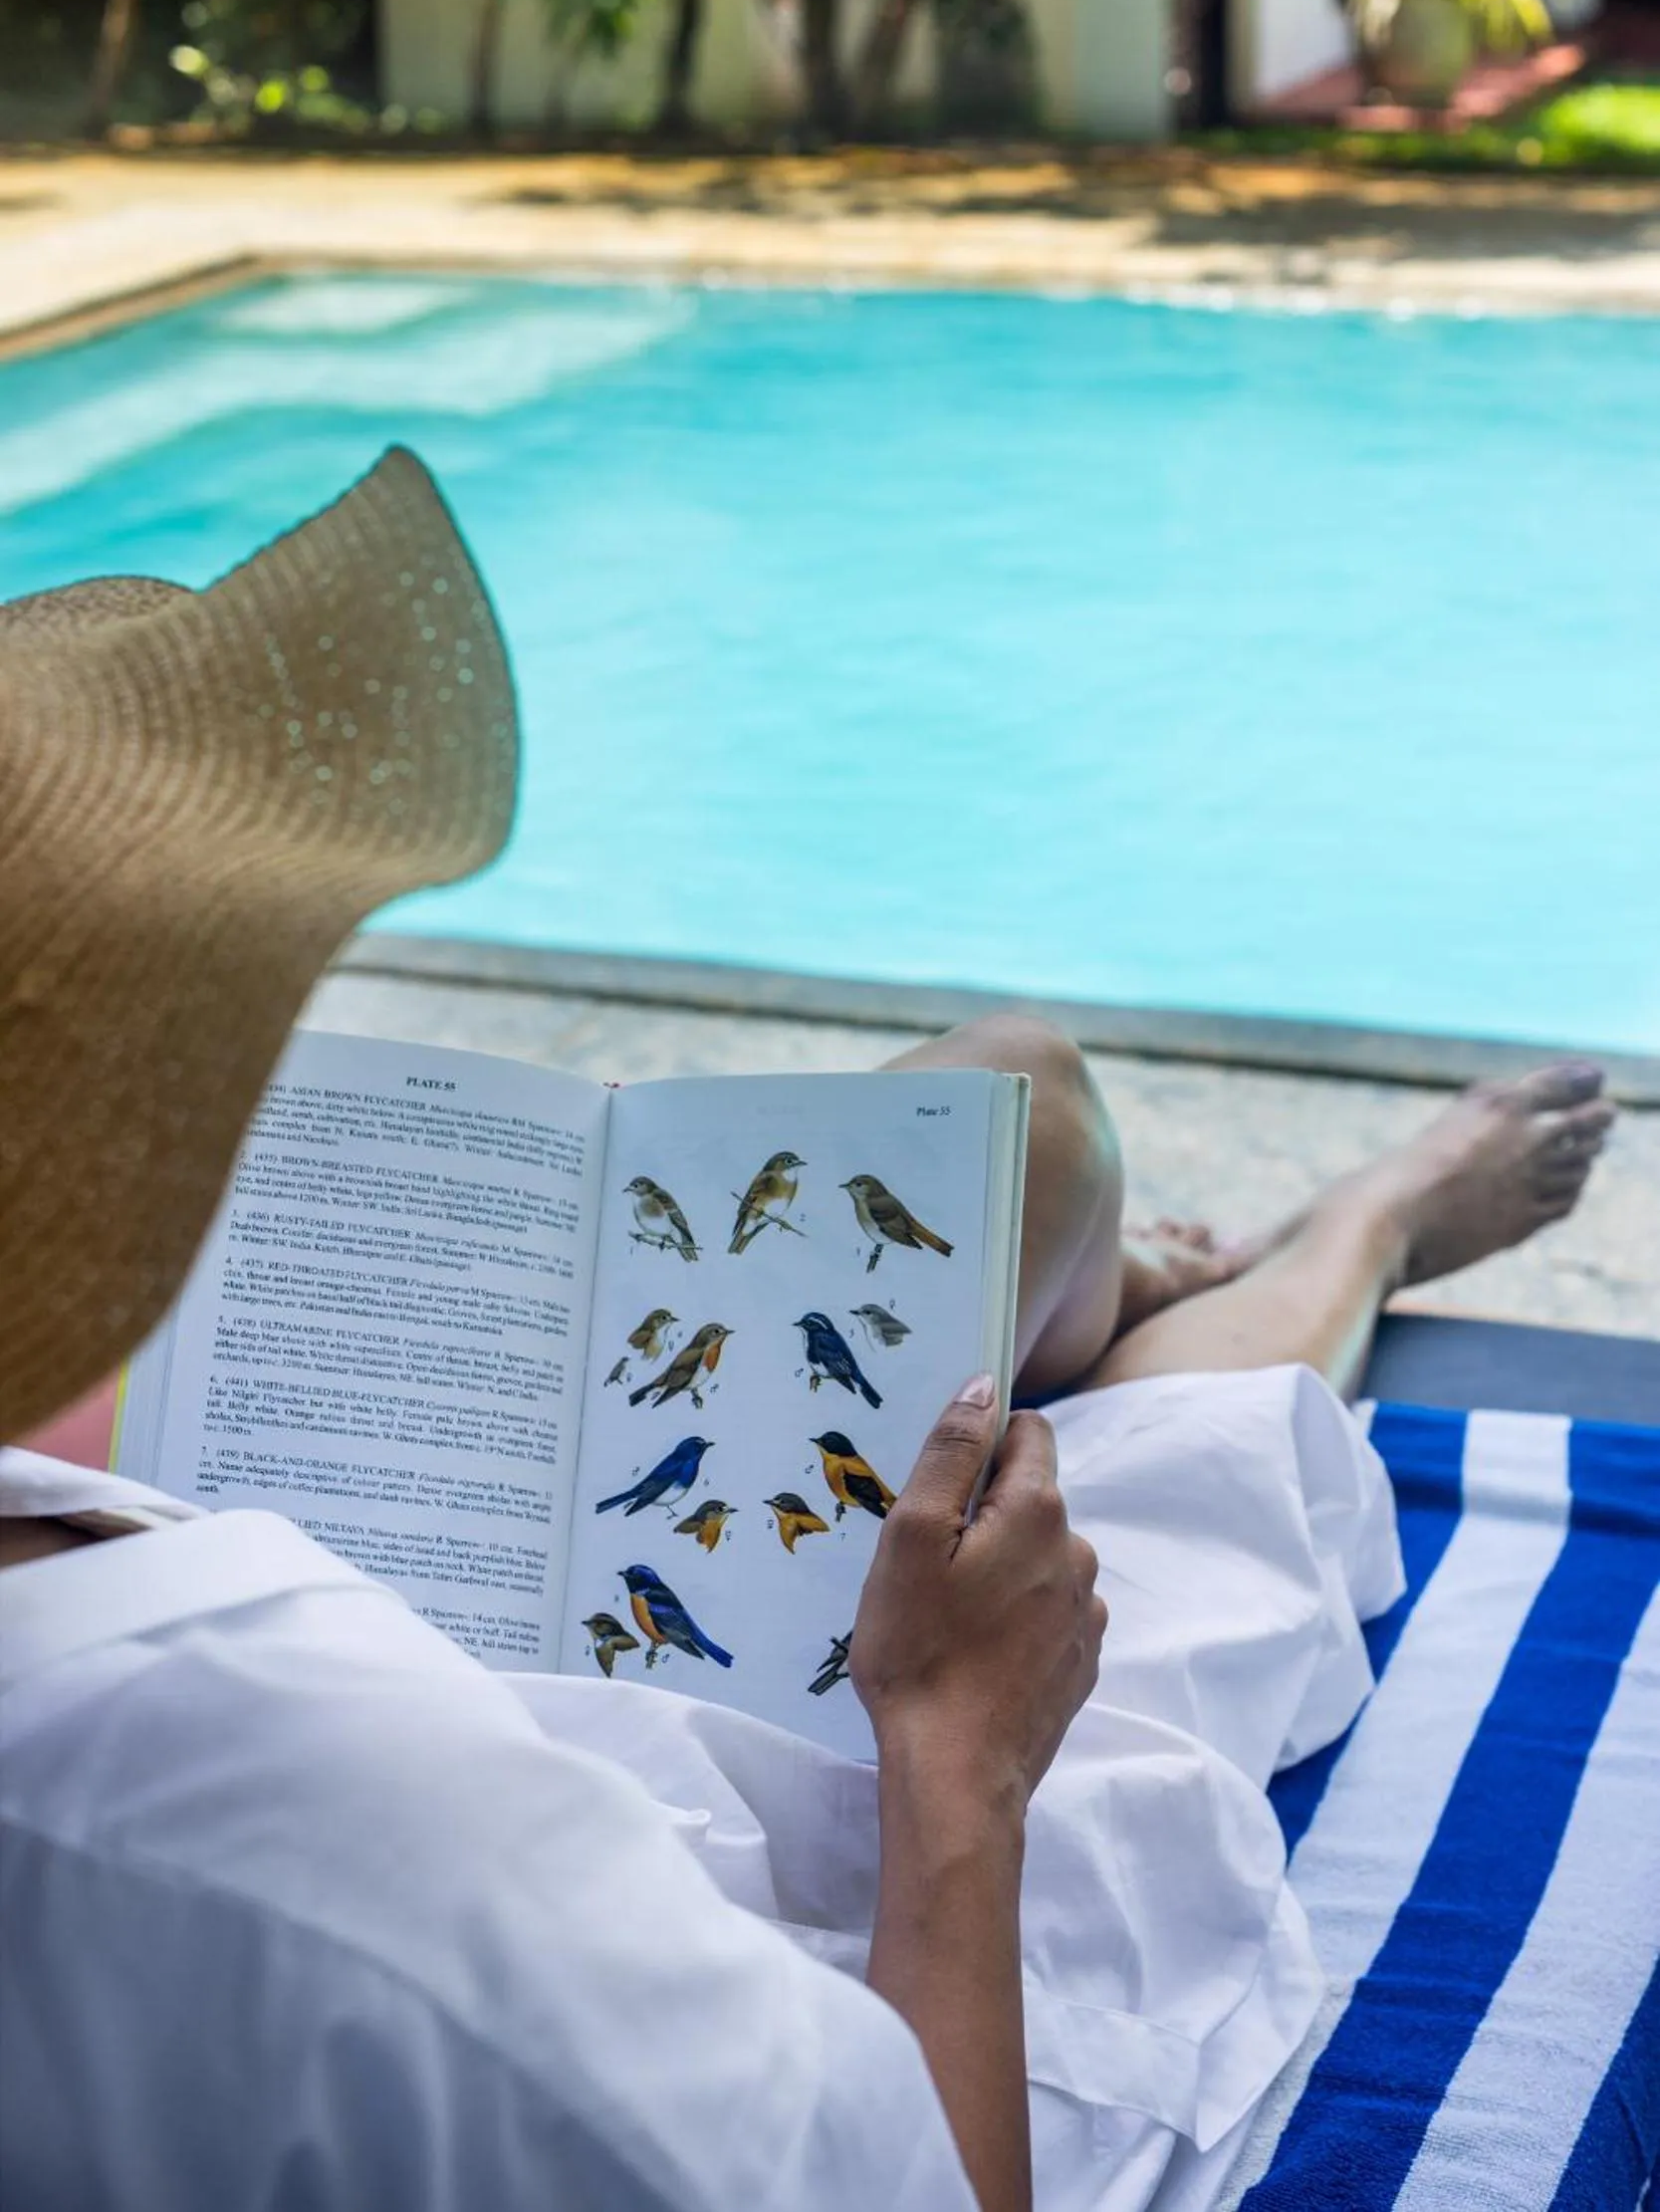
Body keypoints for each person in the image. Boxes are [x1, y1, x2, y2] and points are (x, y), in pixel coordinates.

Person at [0, 454, 1614, 2212]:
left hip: (479, 1705)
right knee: (1172, 1500)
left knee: (1017, 1111)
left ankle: (1141, 1272)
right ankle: (1360, 1226)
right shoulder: (323, 1842)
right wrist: (960, 1750)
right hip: (847, 1922)